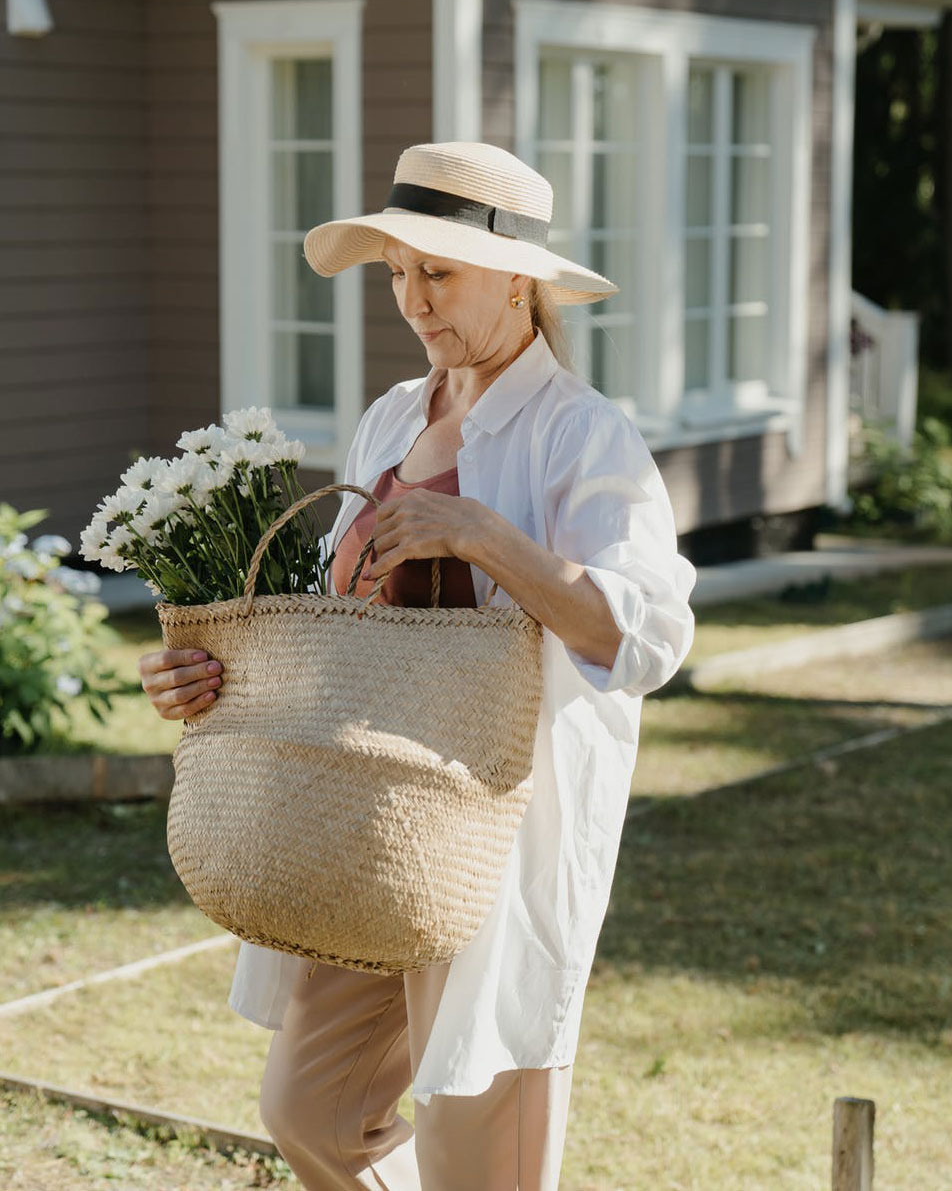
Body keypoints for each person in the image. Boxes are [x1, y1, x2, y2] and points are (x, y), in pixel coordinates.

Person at [138, 141, 696, 1190]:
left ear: (518, 278)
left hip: (491, 841)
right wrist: (205, 671)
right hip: (367, 834)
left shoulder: (582, 437)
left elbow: (650, 634)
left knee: (474, 1159)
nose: (411, 299)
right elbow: (325, 614)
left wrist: (484, 534)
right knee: (307, 1109)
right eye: (398, 272)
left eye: (437, 271)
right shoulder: (392, 418)